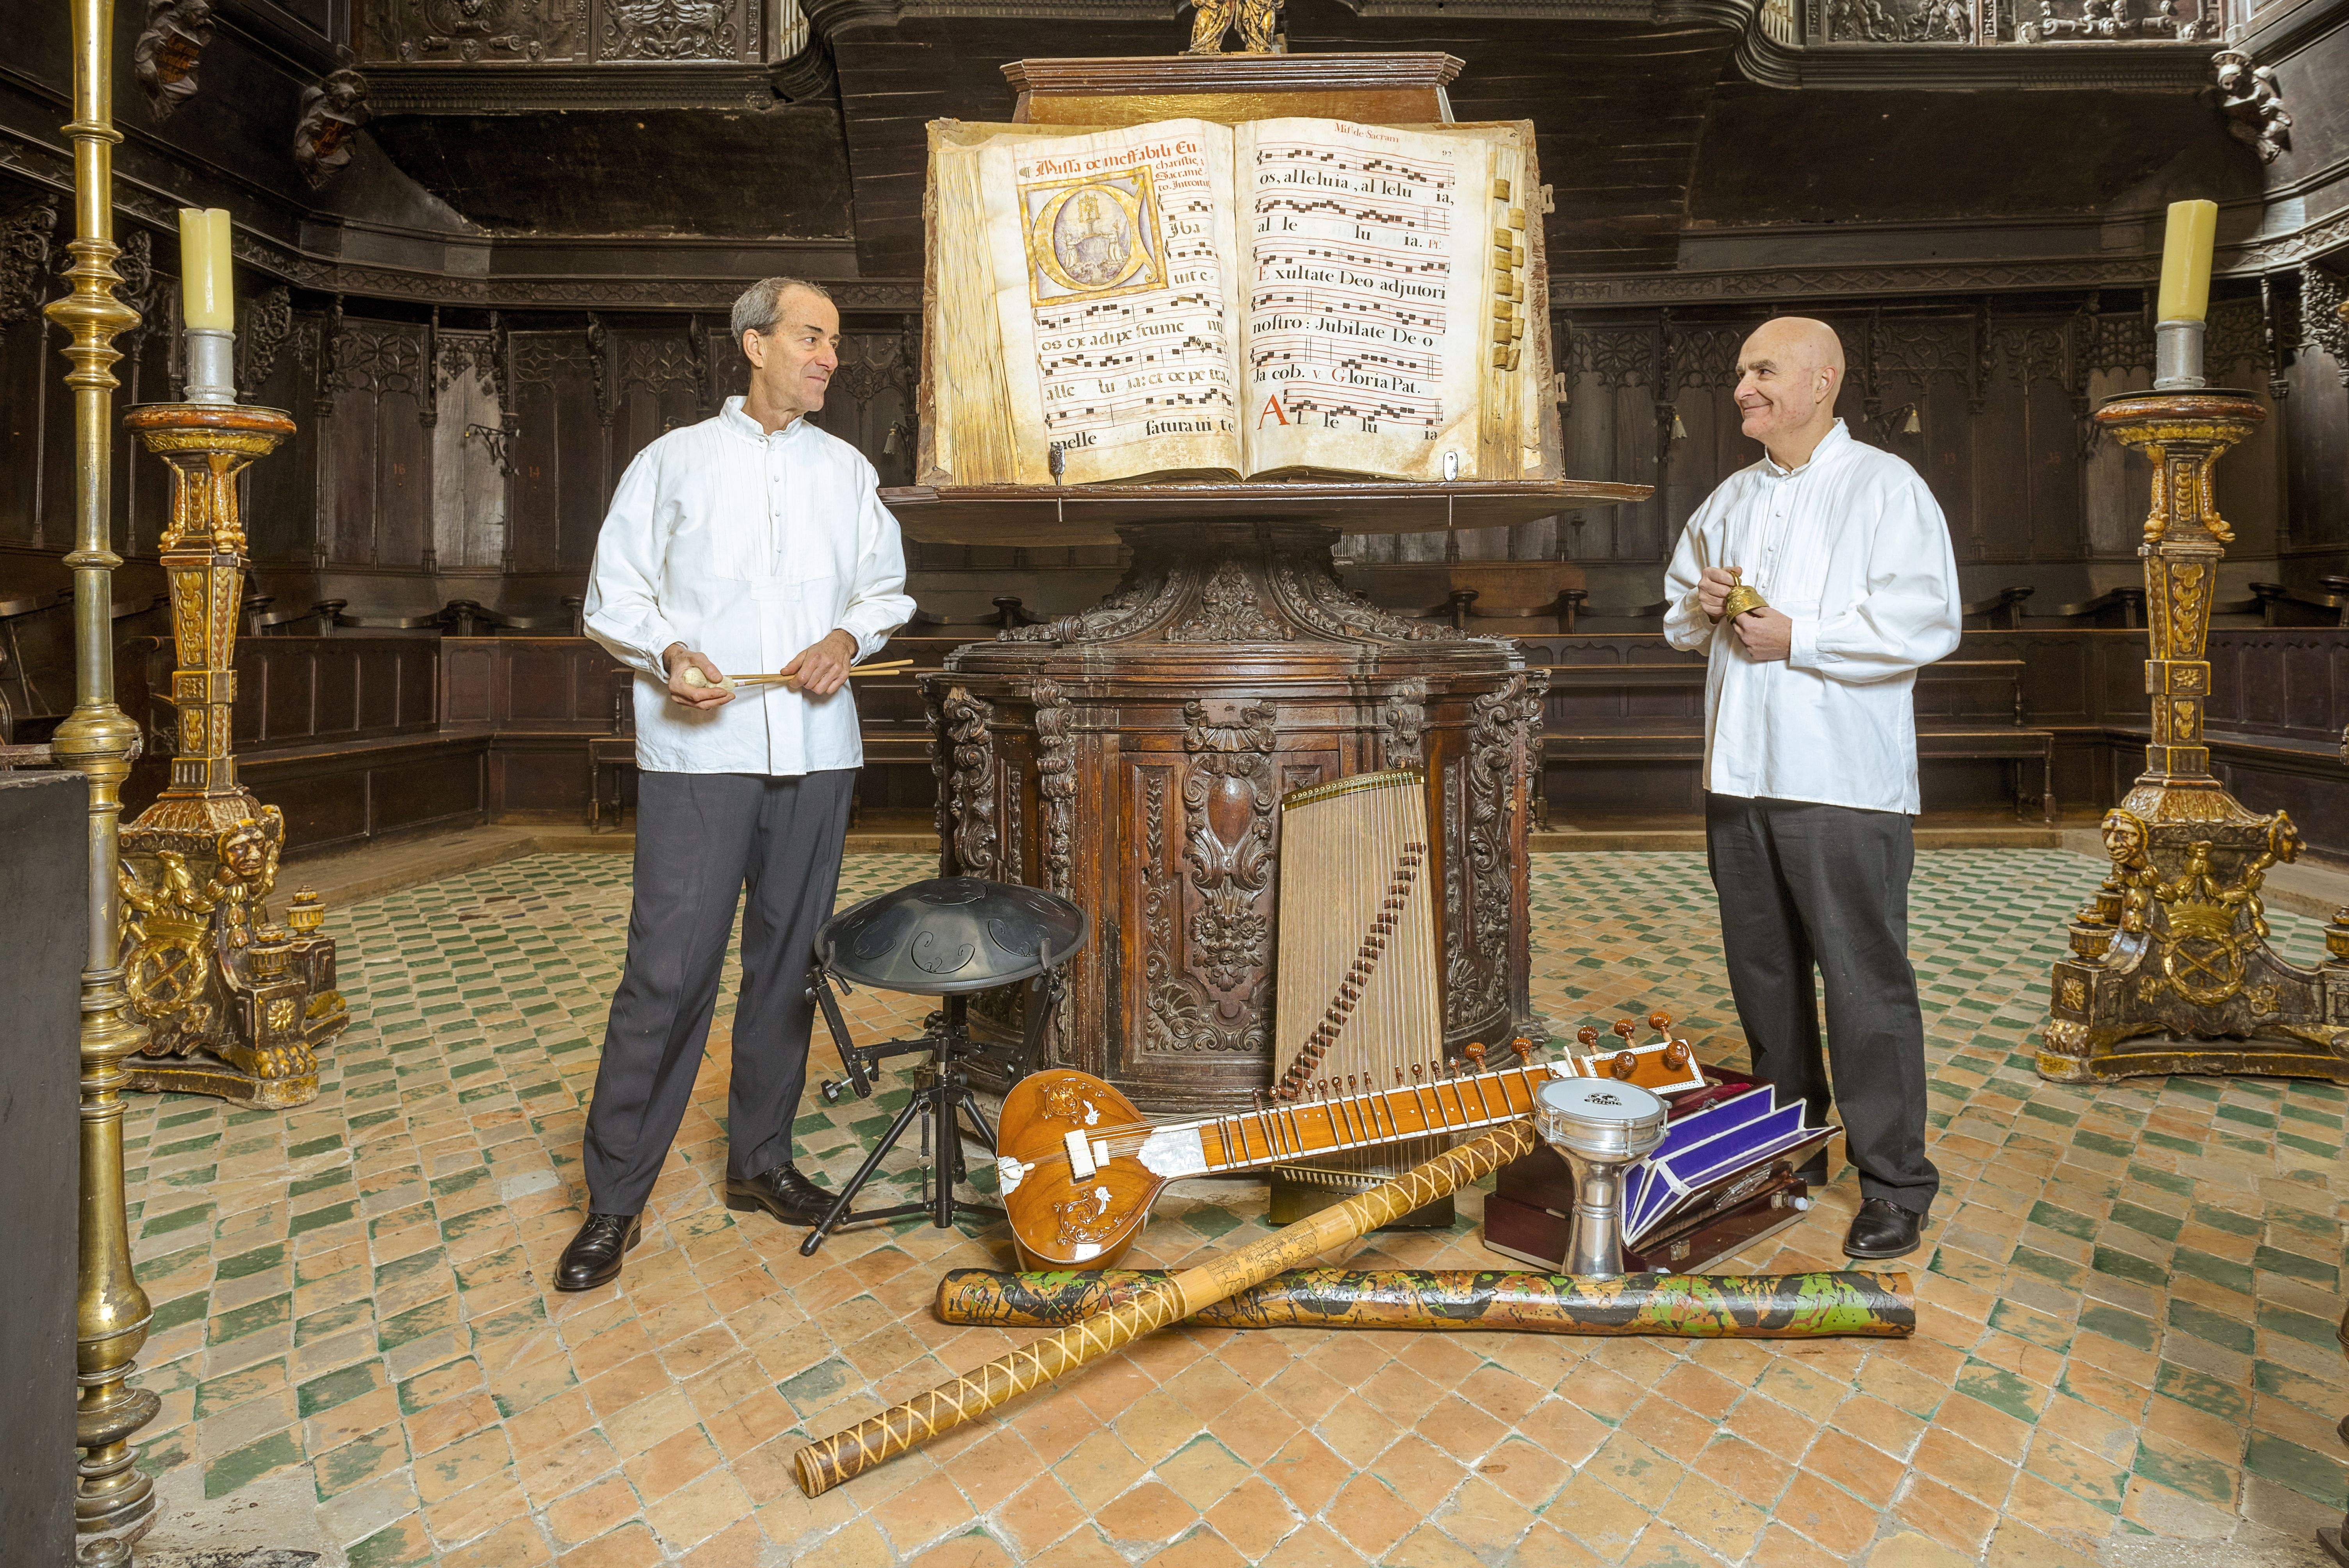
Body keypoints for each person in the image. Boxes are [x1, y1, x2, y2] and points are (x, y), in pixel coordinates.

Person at [556, 276, 916, 1291]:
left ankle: (761, 1161)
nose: (830, 358)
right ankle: (615, 1198)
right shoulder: (671, 463)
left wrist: (849, 636)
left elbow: (883, 589)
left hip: (816, 752)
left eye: (835, 343)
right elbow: (613, 594)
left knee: (789, 966)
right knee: (668, 974)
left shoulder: (847, 472)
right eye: (812, 337)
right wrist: (667, 649)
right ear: (754, 344)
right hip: (698, 758)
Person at [1661, 315, 1962, 1262]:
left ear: (1822, 381)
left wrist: (1803, 637)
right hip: (1738, 777)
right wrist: (1701, 608)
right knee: (1766, 981)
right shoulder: (1728, 497)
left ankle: (1894, 1183)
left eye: (1762, 370)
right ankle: (1791, 1150)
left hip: (1840, 782)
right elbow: (1677, 616)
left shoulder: (1884, 488)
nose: (1743, 386)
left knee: (1864, 984)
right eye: (1740, 370)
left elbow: (1926, 620)